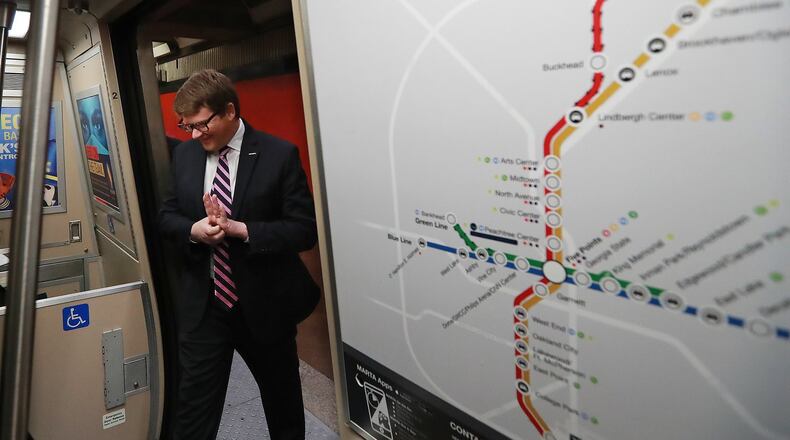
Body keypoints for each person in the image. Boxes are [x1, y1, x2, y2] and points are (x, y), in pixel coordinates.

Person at [159, 69, 318, 440]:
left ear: (229, 111)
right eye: (187, 128)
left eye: (201, 125)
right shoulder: (185, 156)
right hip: (206, 304)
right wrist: (194, 231)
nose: (195, 136)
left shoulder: (279, 155)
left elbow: (303, 230)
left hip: (264, 306)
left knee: (284, 409)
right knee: (193, 412)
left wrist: (241, 230)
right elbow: (167, 216)